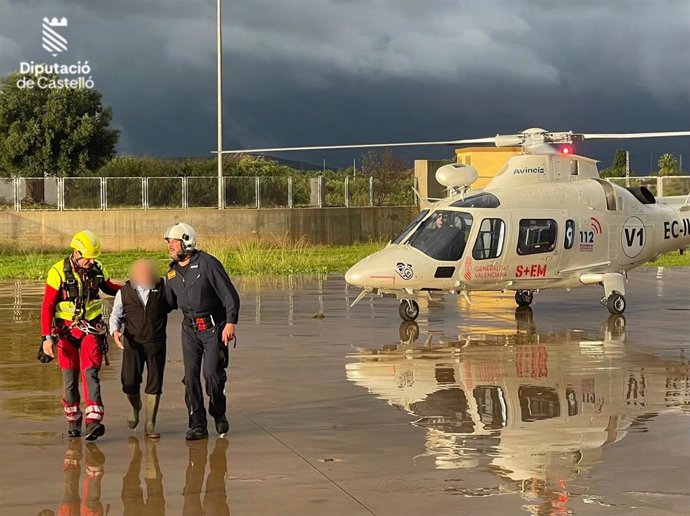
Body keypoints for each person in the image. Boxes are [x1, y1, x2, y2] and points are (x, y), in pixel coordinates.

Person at [40, 230, 120, 441]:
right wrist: (46, 338)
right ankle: (73, 420)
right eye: (87, 257)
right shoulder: (57, 271)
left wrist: (133, 287)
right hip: (65, 334)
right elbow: (48, 305)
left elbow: (110, 288)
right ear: (76, 252)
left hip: (91, 331)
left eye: (94, 257)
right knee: (69, 381)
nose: (91, 260)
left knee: (90, 373)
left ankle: (93, 422)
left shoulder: (97, 268)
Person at [163, 223, 240, 441]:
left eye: (173, 241)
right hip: (189, 330)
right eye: (168, 241)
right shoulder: (171, 273)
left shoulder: (208, 264)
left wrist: (230, 323)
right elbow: (167, 303)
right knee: (190, 378)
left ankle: (218, 410)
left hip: (214, 328)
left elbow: (229, 295)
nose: (169, 245)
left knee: (211, 375)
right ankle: (197, 423)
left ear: (186, 241)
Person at [109, 259, 170, 439]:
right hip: (132, 343)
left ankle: (150, 423)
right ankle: (136, 407)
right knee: (129, 382)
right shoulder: (124, 292)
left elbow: (178, 302)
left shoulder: (163, 288)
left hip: (156, 342)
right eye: (141, 273)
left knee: (155, 382)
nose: (145, 276)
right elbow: (115, 315)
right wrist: (115, 331)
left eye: (148, 273)